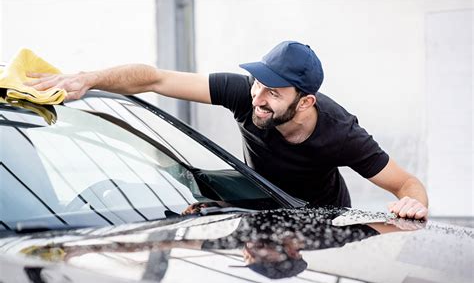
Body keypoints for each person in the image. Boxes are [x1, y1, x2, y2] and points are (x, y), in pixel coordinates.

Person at [25, 40, 428, 219]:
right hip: (256, 207)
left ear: (306, 101)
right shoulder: (245, 94)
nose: (258, 97)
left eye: (272, 92)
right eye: (257, 83)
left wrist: (413, 204)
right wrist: (89, 78)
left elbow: (407, 184)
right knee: (178, 173)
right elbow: (156, 79)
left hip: (314, 223)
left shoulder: (340, 133)